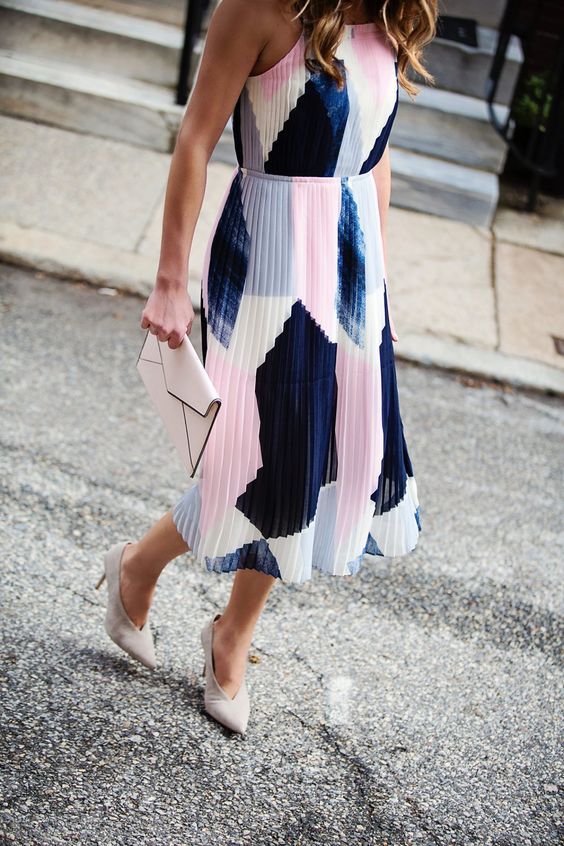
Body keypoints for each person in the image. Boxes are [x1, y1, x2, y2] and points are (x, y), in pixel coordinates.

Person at [96, 0, 437, 734]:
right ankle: (139, 571)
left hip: (349, 273)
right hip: (268, 265)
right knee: (256, 463)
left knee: (312, 463)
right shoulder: (255, 8)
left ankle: (228, 633)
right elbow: (195, 138)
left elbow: (371, 164)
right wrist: (168, 281)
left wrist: (380, 289)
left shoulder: (389, 17)